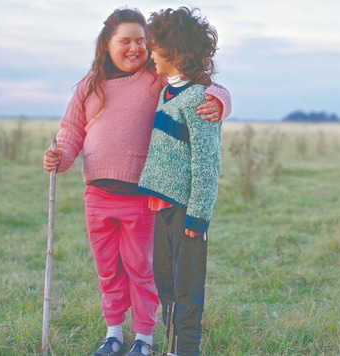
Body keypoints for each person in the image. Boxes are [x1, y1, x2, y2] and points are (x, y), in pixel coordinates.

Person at [42, 7, 231, 356]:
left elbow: (201, 85)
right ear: (106, 44)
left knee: (142, 269)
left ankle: (144, 337)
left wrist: (220, 100)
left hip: (143, 196)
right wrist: (61, 157)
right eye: (125, 41)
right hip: (97, 194)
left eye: (142, 42)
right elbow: (71, 131)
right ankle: (113, 333)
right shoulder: (90, 84)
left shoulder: (155, 77)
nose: (135, 48)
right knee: (108, 268)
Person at [137, 7, 223, 356]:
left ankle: (185, 349)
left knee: (187, 288)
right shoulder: (167, 91)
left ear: (175, 53)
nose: (150, 54)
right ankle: (172, 346)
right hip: (163, 205)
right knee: (165, 281)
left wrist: (199, 216)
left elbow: (207, 161)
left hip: (187, 209)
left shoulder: (200, 100)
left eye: (155, 47)